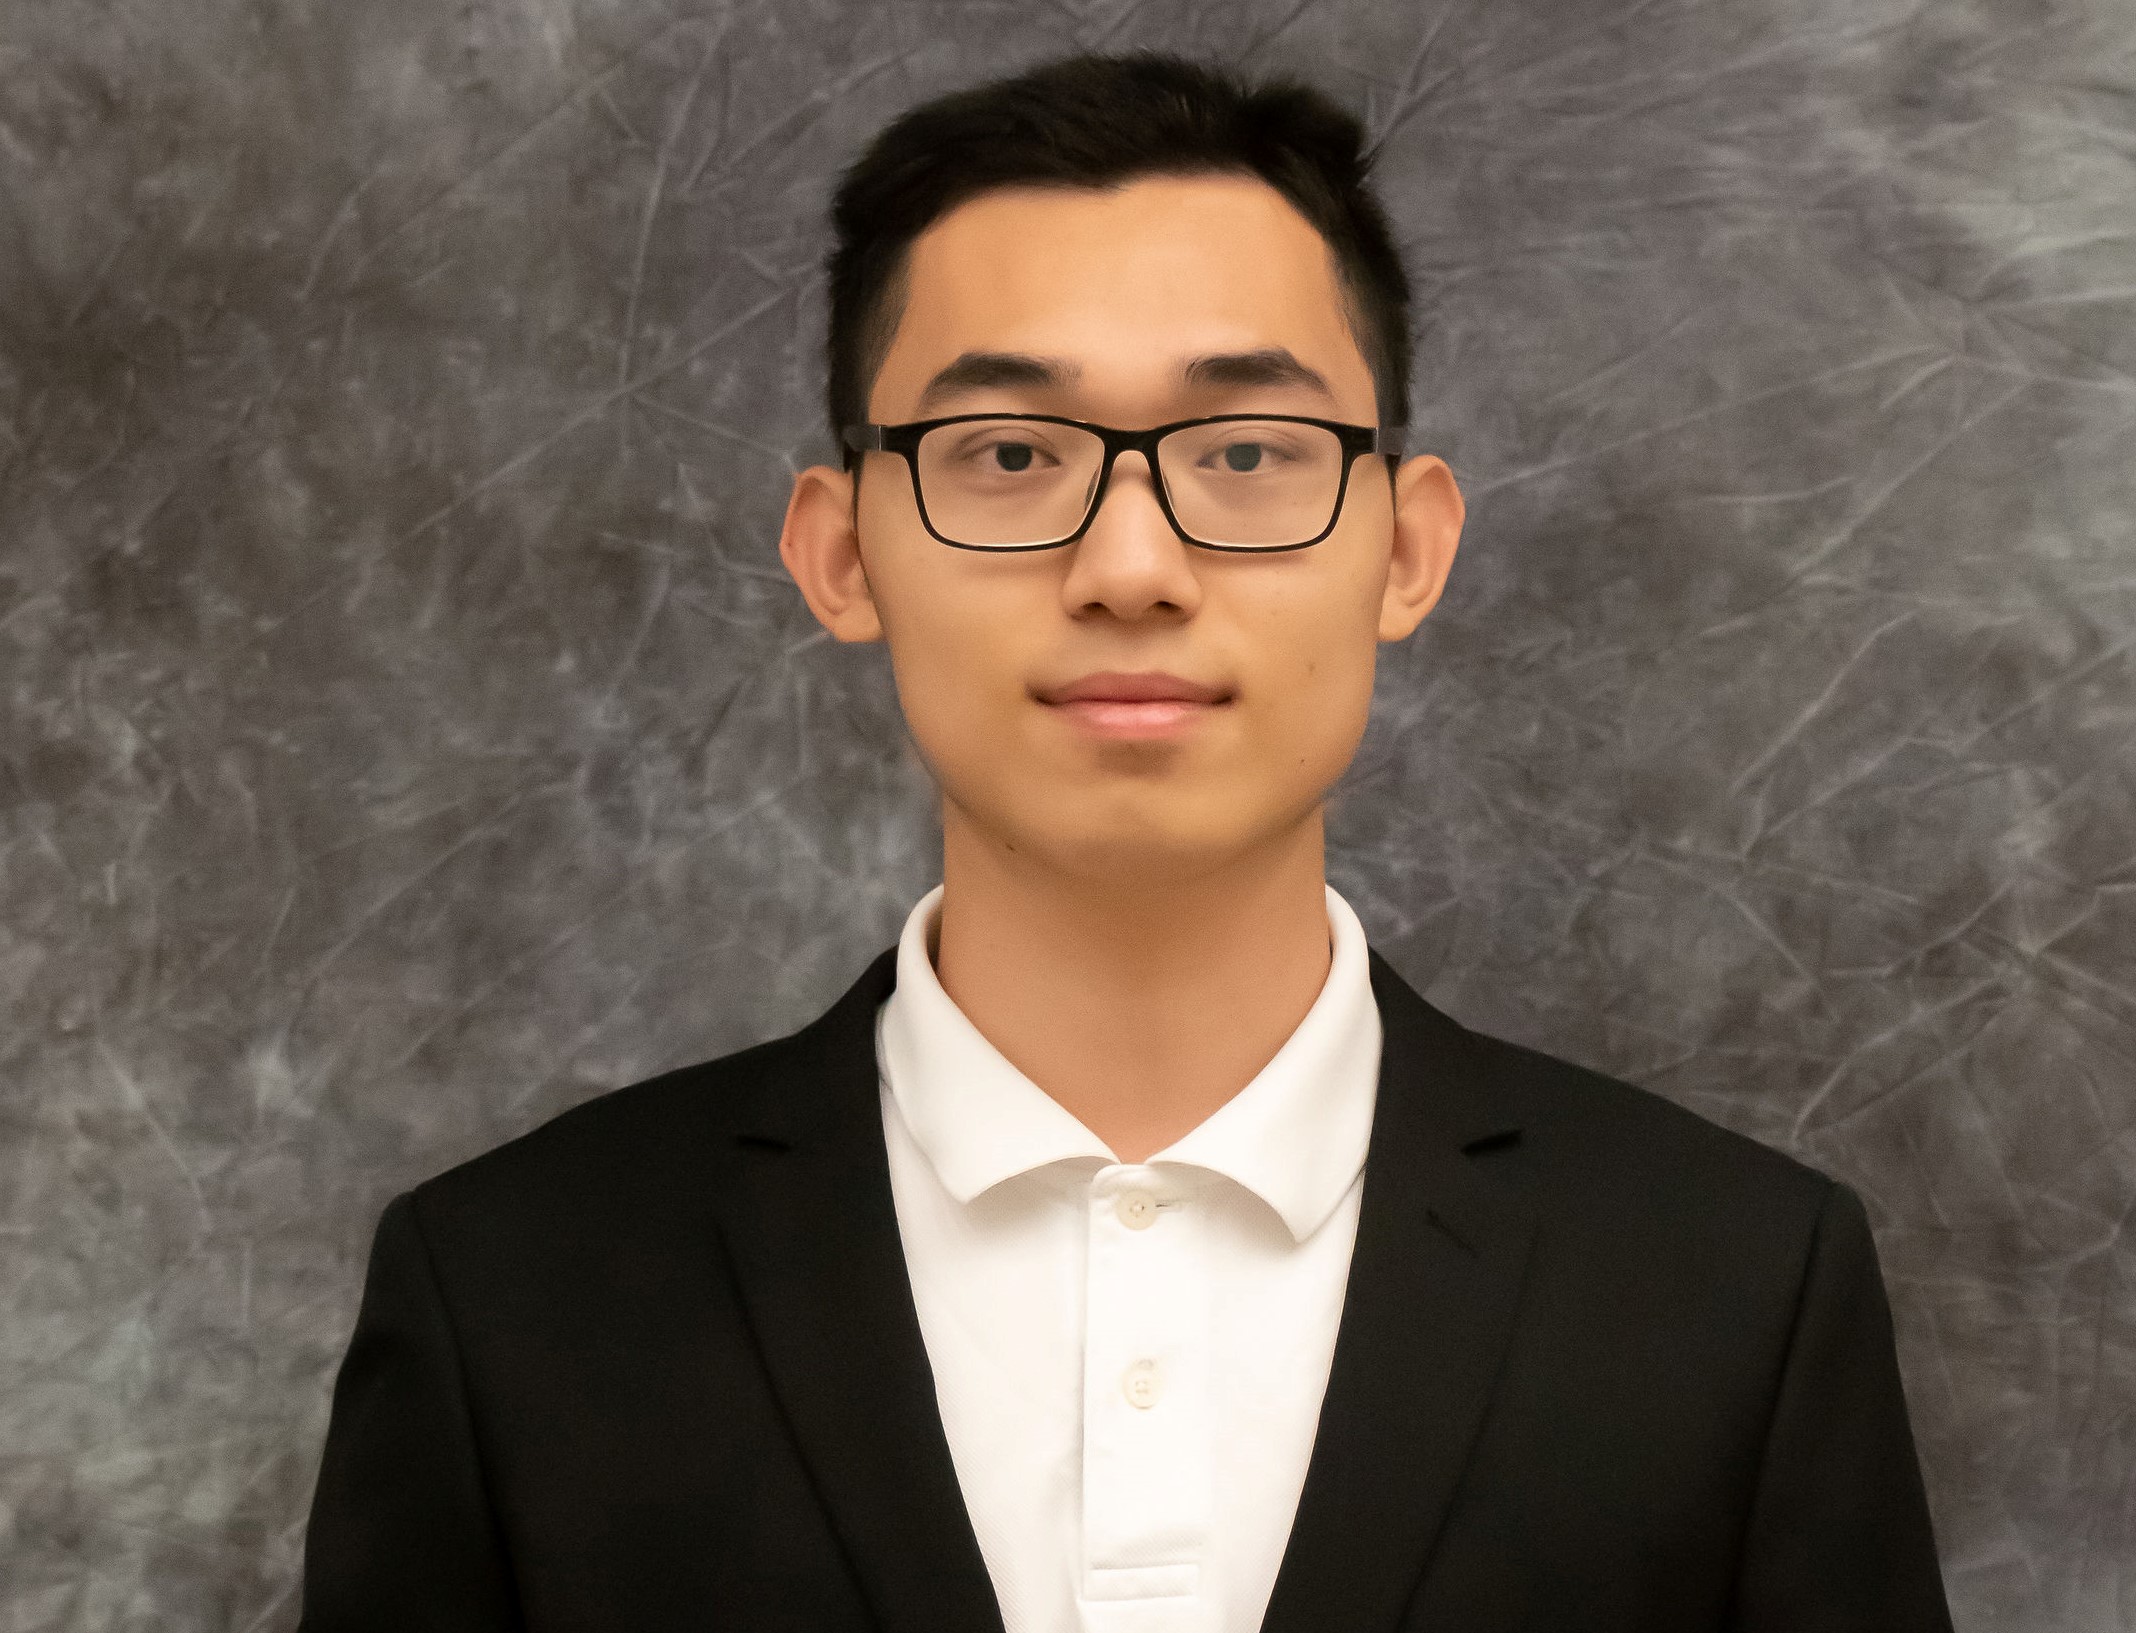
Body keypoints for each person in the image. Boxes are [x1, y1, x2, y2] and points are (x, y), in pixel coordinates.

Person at [298, 51, 1954, 1633]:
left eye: (1247, 453)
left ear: (1407, 547)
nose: (1133, 566)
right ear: (841, 553)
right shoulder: (511, 1295)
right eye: (1011, 455)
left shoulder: (1736, 1287)